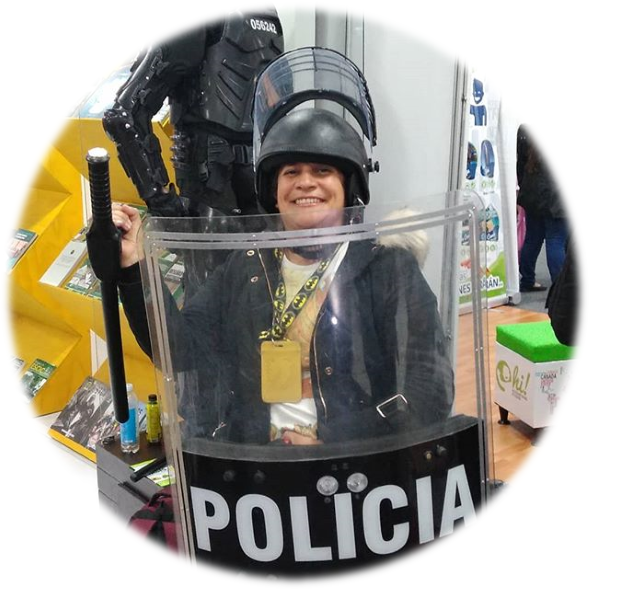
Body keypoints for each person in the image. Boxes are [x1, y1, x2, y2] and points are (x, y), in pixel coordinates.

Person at [113, 107, 454, 446]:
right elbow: (178, 348)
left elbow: (430, 389)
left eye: (322, 170)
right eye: (291, 172)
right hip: (257, 461)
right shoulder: (245, 266)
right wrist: (135, 265)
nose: (305, 182)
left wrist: (330, 443)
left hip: (351, 464)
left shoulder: (387, 267)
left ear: (348, 186)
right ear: (274, 192)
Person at [102, 8, 284, 219]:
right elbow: (124, 117)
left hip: (262, 187)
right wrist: (162, 201)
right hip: (210, 196)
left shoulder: (267, 15)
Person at [516, 125, 569, 292]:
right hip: (555, 195)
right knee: (556, 240)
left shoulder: (525, 130)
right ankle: (560, 288)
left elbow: (520, 164)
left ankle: (527, 279)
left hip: (532, 191)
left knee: (533, 238)